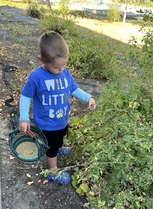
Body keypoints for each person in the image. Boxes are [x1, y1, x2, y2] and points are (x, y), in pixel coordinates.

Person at [19, 31, 96, 184]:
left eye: (64, 65)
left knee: (60, 137)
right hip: (47, 124)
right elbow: (26, 96)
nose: (61, 70)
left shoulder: (65, 73)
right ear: (41, 60)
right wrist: (24, 118)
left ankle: (58, 148)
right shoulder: (36, 77)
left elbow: (74, 89)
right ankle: (53, 172)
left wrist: (88, 97)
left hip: (61, 120)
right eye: (56, 67)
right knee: (51, 147)